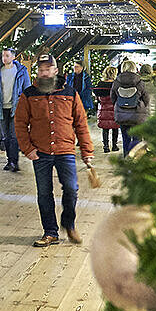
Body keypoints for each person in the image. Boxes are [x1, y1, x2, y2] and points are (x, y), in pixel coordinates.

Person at [13, 54, 95, 248]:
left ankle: (69, 224)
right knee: (44, 193)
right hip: (40, 152)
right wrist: (27, 149)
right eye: (40, 70)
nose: (43, 73)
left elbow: (81, 123)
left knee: (71, 189)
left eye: (47, 69)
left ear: (55, 71)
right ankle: (50, 232)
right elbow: (20, 124)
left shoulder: (70, 93)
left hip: (65, 150)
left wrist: (87, 151)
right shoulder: (28, 94)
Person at [0, 48, 31, 172]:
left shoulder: (21, 71)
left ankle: (14, 162)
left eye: (7, 55)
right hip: (2, 109)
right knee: (5, 136)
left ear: (13, 57)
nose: (4, 58)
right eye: (3, 55)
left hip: (16, 108)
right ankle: (9, 160)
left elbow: (27, 88)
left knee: (13, 136)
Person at [111, 60, 150, 156]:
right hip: (137, 115)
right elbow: (146, 98)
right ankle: (135, 159)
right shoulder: (139, 82)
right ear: (134, 68)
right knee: (137, 138)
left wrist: (119, 105)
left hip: (122, 114)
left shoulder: (117, 82)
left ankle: (126, 157)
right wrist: (142, 106)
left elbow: (112, 97)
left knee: (125, 138)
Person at [93, 66, 120, 153]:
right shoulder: (116, 84)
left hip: (104, 109)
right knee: (115, 128)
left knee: (105, 128)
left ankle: (106, 146)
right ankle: (114, 146)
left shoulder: (100, 84)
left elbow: (97, 97)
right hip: (114, 109)